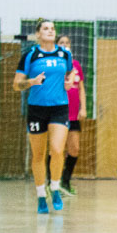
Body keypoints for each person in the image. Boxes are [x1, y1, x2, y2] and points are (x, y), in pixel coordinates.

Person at [13, 19, 75, 214]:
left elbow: (71, 71)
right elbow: (16, 85)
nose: (50, 31)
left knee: (57, 150)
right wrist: (32, 82)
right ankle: (41, 195)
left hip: (59, 107)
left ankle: (55, 188)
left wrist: (70, 79)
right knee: (38, 155)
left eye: (52, 28)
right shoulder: (30, 55)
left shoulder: (64, 53)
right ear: (38, 34)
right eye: (46, 28)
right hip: (37, 109)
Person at [54, 34, 86, 196]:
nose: (65, 44)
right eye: (62, 42)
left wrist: (83, 108)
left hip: (74, 114)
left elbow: (81, 88)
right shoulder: (54, 64)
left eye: (67, 42)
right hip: (59, 113)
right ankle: (52, 182)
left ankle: (65, 181)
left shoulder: (76, 65)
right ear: (56, 45)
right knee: (56, 149)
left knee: (74, 149)